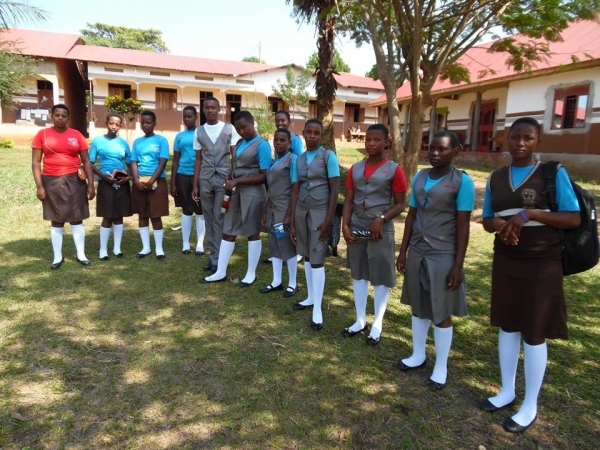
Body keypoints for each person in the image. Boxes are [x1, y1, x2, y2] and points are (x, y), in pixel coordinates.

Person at [480, 117, 580, 433]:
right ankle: (507, 391)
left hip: (542, 262)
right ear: (506, 139)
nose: (520, 143)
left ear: (538, 141)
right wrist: (502, 225)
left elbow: (573, 218)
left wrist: (530, 214)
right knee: (507, 324)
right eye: (515, 137)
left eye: (528, 138)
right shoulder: (496, 178)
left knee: (534, 331)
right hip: (507, 258)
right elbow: (486, 219)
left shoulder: (552, 173)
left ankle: (529, 405)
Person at [396, 130, 475, 391]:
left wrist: (458, 265)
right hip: (418, 249)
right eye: (432, 148)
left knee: (440, 310)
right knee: (418, 305)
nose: (435, 153)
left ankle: (441, 366)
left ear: (456, 152)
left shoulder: (462, 182)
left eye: (442, 149)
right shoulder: (420, 177)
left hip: (443, 253)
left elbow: (463, 225)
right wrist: (403, 250)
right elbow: (411, 216)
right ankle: (418, 354)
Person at [341, 124, 407, 345]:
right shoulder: (355, 169)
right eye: (368, 139)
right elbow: (349, 201)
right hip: (357, 224)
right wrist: (345, 226)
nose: (371, 143)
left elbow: (401, 204)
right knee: (359, 274)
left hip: (380, 229)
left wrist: (382, 219)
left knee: (380, 276)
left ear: (386, 142)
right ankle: (360, 319)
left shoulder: (394, 169)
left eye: (377, 140)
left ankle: (377, 322)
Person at [201, 110, 271, 285]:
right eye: (238, 129)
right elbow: (236, 163)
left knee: (252, 232)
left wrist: (238, 180)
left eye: (244, 127)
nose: (241, 131)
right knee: (228, 230)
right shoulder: (240, 142)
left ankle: (251, 273)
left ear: (252, 123)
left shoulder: (262, 145)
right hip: (236, 193)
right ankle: (220, 272)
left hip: (253, 194)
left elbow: (265, 176)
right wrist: (230, 174)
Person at [290, 119, 340, 331]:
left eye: (316, 133)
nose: (312, 136)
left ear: (321, 135)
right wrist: (293, 221)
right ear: (303, 133)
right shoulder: (299, 159)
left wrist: (328, 220)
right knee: (308, 256)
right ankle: (310, 297)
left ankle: (317, 308)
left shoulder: (328, 156)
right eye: (309, 132)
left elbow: (335, 189)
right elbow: (295, 190)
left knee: (317, 259)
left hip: (321, 213)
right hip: (302, 212)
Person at [31, 103, 95, 269]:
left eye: (64, 116)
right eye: (57, 115)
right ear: (52, 116)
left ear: (68, 118)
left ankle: (81, 254)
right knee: (57, 219)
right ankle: (57, 257)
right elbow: (36, 162)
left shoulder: (76, 135)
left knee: (76, 218)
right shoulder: (42, 135)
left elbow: (86, 161)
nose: (60, 118)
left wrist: (91, 184)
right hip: (51, 181)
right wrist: (39, 186)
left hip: (75, 180)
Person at [192, 97, 240, 274]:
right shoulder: (198, 131)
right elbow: (198, 160)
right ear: (203, 110)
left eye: (213, 107)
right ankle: (213, 256)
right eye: (207, 107)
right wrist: (195, 185)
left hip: (223, 179)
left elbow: (235, 156)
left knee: (219, 216)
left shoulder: (229, 128)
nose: (210, 110)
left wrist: (233, 176)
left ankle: (219, 259)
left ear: (219, 109)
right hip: (205, 179)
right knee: (208, 217)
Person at [259, 128, 298, 298]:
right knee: (274, 245)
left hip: (284, 209)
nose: (279, 143)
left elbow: (295, 189)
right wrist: (264, 211)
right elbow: (271, 188)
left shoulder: (292, 159)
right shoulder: (275, 161)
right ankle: (276, 281)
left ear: (289, 143)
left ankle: (293, 283)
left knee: (287, 246)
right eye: (276, 140)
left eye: (283, 140)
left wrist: (289, 215)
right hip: (272, 209)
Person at [263, 110, 304, 265]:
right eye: (277, 120)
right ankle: (277, 272)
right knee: (274, 241)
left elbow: (297, 168)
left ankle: (295, 259)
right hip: (273, 202)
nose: (280, 123)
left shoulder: (294, 147)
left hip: (285, 201)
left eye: (283, 120)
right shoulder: (276, 158)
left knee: (286, 242)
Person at [89, 113, 132, 260]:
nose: (114, 127)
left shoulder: (123, 143)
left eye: (117, 125)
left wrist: (128, 177)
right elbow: (90, 163)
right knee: (107, 216)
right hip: (105, 182)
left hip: (121, 183)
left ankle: (117, 248)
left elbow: (130, 163)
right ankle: (103, 250)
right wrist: (102, 177)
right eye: (111, 123)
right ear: (106, 123)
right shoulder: (98, 141)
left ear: (120, 126)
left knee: (119, 216)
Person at [131, 110, 170, 260]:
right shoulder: (137, 142)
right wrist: (136, 180)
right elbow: (134, 162)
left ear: (154, 123)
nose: (145, 125)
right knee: (142, 214)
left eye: (148, 122)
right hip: (140, 182)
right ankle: (145, 247)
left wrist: (152, 181)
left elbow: (163, 162)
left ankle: (159, 248)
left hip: (156, 182)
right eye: (143, 123)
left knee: (156, 214)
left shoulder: (161, 140)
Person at [171, 106, 205, 255]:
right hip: (182, 175)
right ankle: (185, 243)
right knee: (186, 209)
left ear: (196, 117)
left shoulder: (202, 134)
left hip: (200, 175)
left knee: (199, 209)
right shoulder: (180, 136)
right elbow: (175, 160)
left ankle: (200, 244)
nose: (187, 119)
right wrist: (173, 183)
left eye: (189, 116)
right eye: (184, 116)